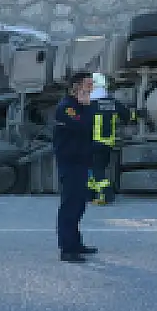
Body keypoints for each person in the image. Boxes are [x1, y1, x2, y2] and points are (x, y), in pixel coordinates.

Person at [51, 72, 98, 262]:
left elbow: (90, 123)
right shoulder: (67, 108)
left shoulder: (81, 106)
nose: (91, 88)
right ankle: (67, 249)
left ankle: (76, 243)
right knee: (70, 206)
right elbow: (82, 126)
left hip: (81, 162)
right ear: (76, 87)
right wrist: (86, 106)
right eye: (87, 84)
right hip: (70, 163)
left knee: (79, 205)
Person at [88, 72, 136, 205]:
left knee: (95, 170)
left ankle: (106, 195)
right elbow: (128, 116)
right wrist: (138, 115)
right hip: (108, 144)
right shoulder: (113, 103)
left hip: (92, 144)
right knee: (98, 169)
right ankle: (90, 194)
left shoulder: (88, 105)